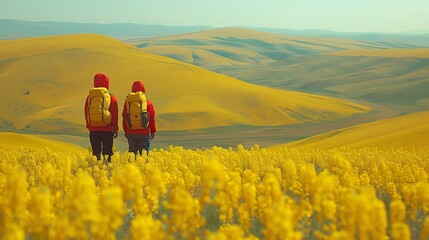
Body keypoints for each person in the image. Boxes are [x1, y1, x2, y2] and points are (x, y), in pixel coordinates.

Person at [84, 73, 118, 163]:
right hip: (107, 130)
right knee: (107, 153)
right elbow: (114, 114)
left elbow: (86, 112)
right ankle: (107, 170)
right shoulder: (111, 97)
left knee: (96, 154)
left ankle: (96, 169)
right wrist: (115, 128)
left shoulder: (89, 97)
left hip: (94, 131)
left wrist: (89, 126)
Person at [122, 81, 156, 156]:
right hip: (144, 132)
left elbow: (124, 116)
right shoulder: (147, 103)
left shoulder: (127, 103)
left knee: (132, 155)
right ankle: (143, 167)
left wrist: (126, 130)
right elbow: (151, 118)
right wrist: (153, 131)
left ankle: (131, 168)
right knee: (144, 156)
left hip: (131, 131)